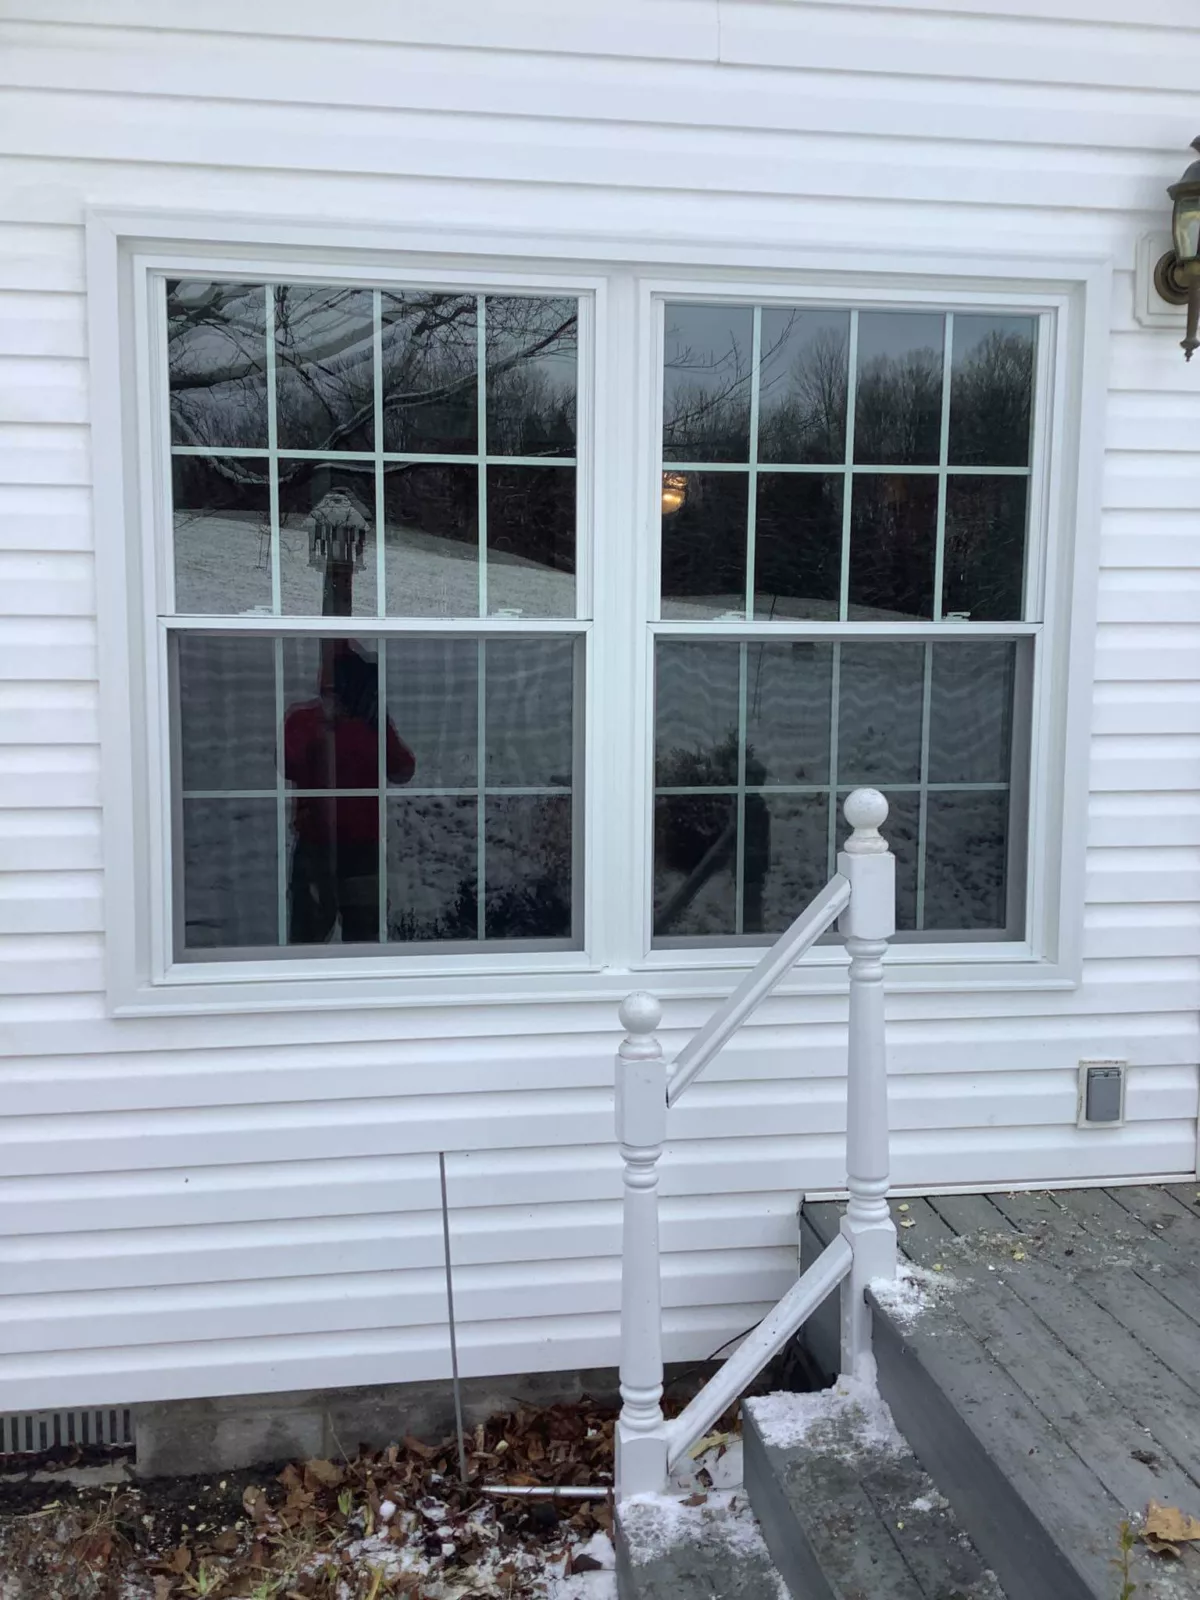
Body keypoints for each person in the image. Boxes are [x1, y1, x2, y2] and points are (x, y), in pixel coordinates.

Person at [284, 640, 415, 943]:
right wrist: (326, 727)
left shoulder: (368, 724)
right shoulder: (304, 721)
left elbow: (403, 771)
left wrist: (376, 724)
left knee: (364, 941)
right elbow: (286, 765)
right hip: (317, 849)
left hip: (361, 852)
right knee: (306, 943)